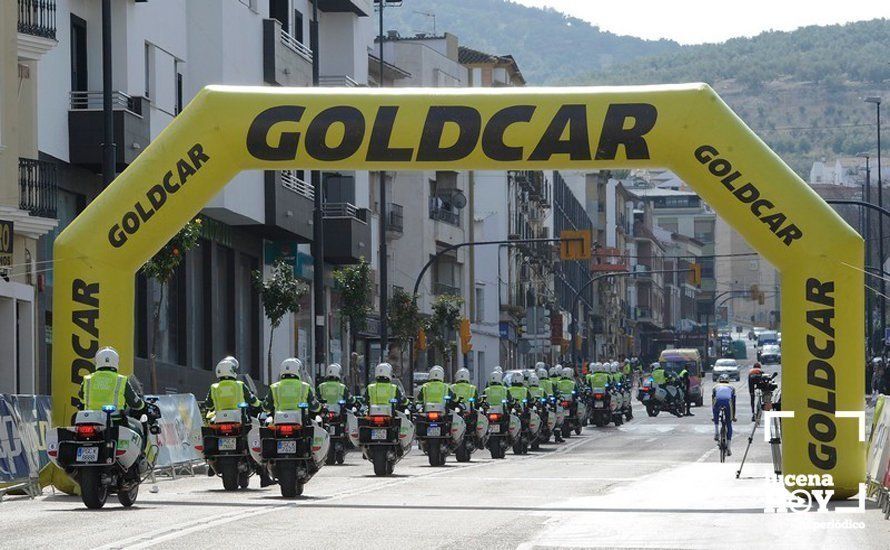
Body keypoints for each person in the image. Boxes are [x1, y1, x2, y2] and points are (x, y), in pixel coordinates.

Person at [78, 346, 149, 427]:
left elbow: (81, 397)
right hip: (115, 421)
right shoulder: (121, 380)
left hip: (89, 420)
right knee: (138, 428)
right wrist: (143, 405)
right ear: (116, 362)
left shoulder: (87, 379)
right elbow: (135, 403)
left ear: (97, 361)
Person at [204, 356, 262, 421]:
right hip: (239, 419)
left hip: (220, 419)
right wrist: (259, 404)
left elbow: (208, 405)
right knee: (254, 424)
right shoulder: (240, 385)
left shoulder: (213, 387)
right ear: (231, 371)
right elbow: (252, 399)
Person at [712, 374, 737, 456]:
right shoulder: (732, 387)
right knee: (729, 423)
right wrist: (733, 416)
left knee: (715, 408)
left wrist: (714, 415)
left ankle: (716, 432)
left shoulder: (715, 386)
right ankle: (729, 448)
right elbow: (733, 403)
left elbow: (713, 399)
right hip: (727, 402)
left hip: (718, 401)